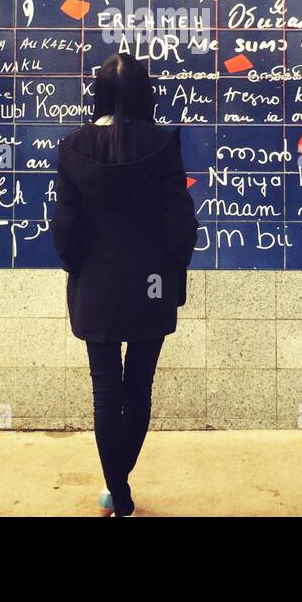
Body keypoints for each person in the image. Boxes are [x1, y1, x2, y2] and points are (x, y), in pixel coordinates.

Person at [50, 53, 199, 517]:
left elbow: (66, 227)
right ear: (144, 95)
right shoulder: (163, 146)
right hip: (150, 282)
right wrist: (174, 275)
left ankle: (119, 491)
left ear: (99, 93)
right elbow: (180, 222)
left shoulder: (73, 147)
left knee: (105, 392)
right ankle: (120, 484)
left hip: (96, 284)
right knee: (139, 388)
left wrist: (80, 270)